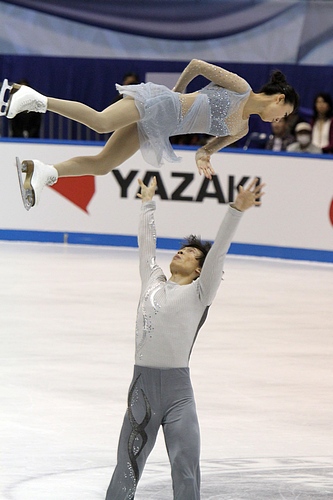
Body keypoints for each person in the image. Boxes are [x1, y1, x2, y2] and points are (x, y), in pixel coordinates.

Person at [105, 176, 265, 500]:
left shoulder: (199, 292)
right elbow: (146, 245)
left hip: (179, 396)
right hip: (143, 392)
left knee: (185, 467)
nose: (182, 252)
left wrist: (236, 210)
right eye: (182, 248)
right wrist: (147, 203)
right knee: (127, 465)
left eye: (191, 253)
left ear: (198, 270)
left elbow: (218, 251)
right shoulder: (152, 279)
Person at [1, 59, 296, 206]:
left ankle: (42, 172)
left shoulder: (241, 130)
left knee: (103, 165)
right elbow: (196, 66)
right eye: (282, 114)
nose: (277, 119)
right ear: (278, 99)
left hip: (160, 127)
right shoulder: (241, 87)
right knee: (102, 122)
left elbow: (206, 149)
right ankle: (32, 98)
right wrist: (175, 95)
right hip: (161, 104)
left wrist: (203, 157)